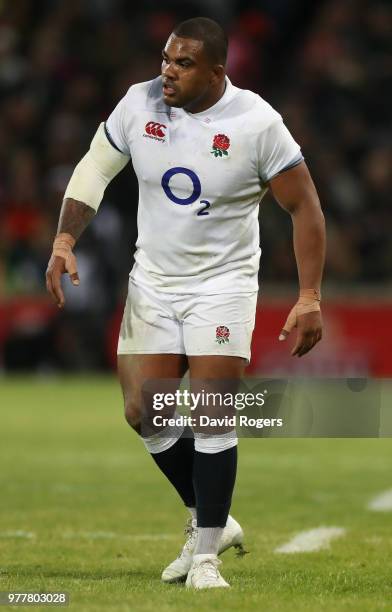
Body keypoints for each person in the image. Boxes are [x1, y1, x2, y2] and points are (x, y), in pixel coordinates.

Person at [46, 17, 325, 589]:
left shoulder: (256, 122)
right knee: (142, 413)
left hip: (222, 283)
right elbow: (95, 168)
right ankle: (212, 521)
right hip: (153, 280)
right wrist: (64, 238)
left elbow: (305, 209)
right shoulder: (138, 103)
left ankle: (205, 558)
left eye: (182, 64)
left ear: (217, 72)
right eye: (166, 59)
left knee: (212, 413)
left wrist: (309, 295)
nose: (166, 72)